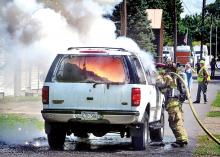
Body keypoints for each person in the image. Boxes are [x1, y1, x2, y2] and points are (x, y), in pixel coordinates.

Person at [156, 64, 188, 147]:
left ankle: (181, 140)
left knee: (174, 122)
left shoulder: (169, 77)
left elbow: (161, 85)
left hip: (172, 104)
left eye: (166, 69)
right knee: (178, 121)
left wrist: (159, 77)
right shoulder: (176, 77)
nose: (164, 71)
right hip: (177, 104)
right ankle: (183, 139)